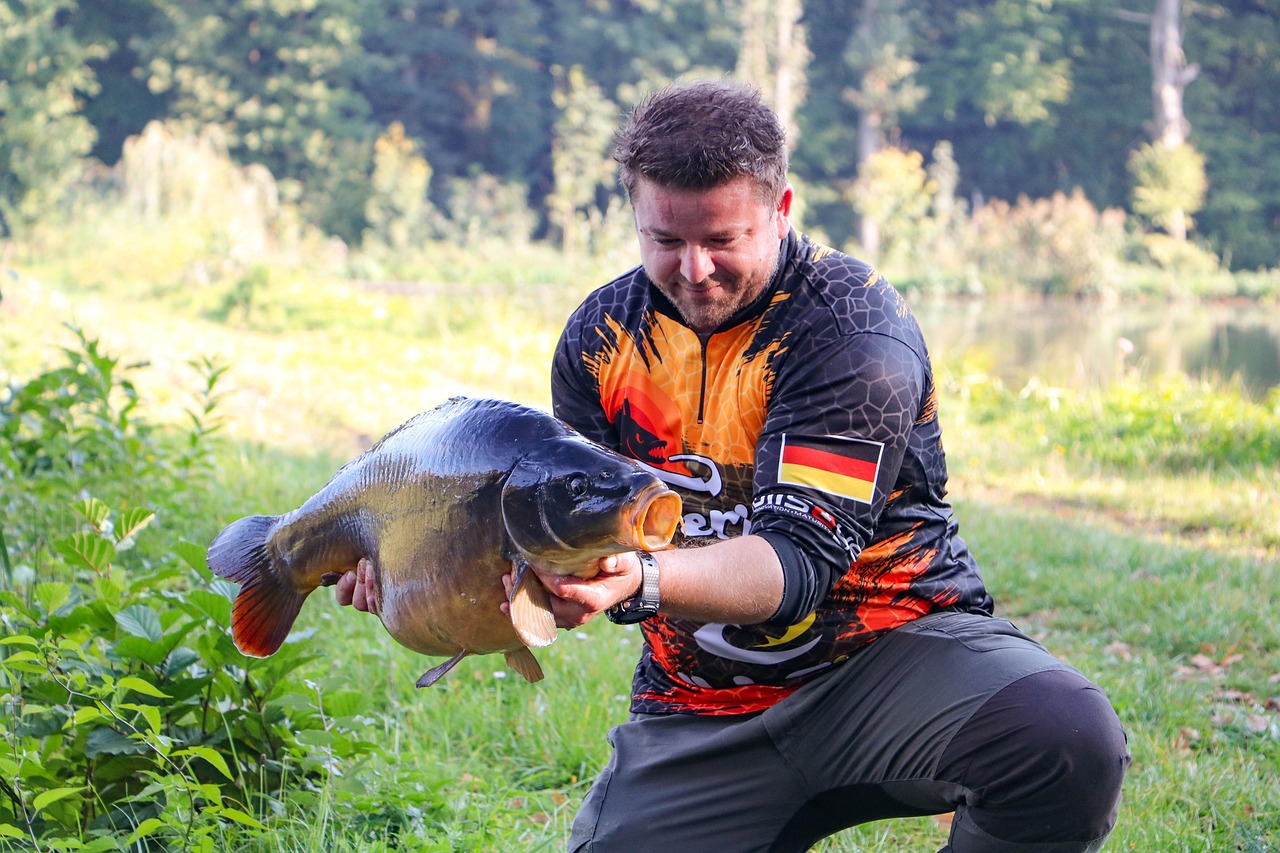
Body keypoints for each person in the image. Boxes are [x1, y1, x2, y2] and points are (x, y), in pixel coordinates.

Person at [338, 79, 1129, 853]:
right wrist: (422, 582)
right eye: (665, 240)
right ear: (636, 214)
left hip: (890, 659)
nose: (693, 270)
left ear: (780, 211)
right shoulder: (599, 338)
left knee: (1062, 736)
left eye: (722, 240)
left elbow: (795, 563)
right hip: (700, 701)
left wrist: (641, 579)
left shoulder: (852, 330)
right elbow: (565, 550)